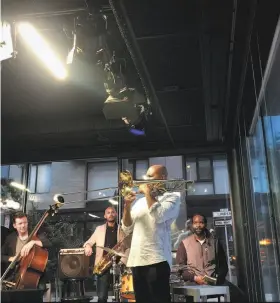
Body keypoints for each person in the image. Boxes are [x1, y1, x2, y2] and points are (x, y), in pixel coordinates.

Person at [122, 165, 181, 303]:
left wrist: (148, 193)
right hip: (137, 260)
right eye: (146, 176)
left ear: (162, 178)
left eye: (150, 176)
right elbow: (127, 227)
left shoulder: (172, 198)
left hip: (157, 260)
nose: (145, 179)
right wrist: (127, 206)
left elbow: (158, 215)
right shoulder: (140, 202)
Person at [176, 213, 245, 302]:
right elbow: (181, 269)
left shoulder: (215, 242)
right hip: (193, 282)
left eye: (201, 222)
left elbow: (223, 265)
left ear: (205, 224)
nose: (198, 225)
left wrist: (217, 279)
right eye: (195, 223)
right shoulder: (184, 243)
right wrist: (195, 278)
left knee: (239, 295)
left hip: (214, 281)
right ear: (192, 225)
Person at [84, 206, 130, 303]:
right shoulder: (99, 229)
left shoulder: (122, 229)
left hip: (118, 263)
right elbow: (89, 242)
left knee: (123, 295)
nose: (110, 214)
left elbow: (127, 246)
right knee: (101, 297)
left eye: (112, 212)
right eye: (108, 212)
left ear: (116, 214)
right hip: (103, 264)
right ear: (105, 216)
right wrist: (88, 246)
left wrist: (122, 261)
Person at [1, 211, 51, 297]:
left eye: (25, 222)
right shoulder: (10, 238)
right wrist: (11, 259)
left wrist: (33, 242)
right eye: (20, 223)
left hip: (33, 278)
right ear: (14, 225)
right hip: (14, 277)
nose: (23, 226)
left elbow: (48, 243)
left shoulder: (35, 235)